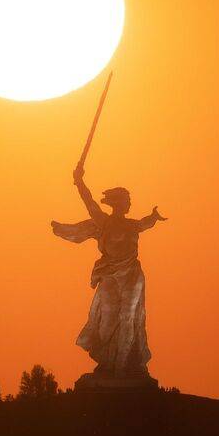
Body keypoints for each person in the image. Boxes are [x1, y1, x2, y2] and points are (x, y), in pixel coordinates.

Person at [51, 163, 166, 381]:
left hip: (132, 275)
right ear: (118, 203)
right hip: (110, 276)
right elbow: (89, 202)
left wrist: (154, 217)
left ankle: (122, 368)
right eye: (127, 200)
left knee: (129, 317)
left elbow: (145, 223)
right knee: (107, 321)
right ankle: (107, 363)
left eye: (129, 201)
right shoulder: (103, 222)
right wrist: (79, 181)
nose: (130, 203)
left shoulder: (132, 226)